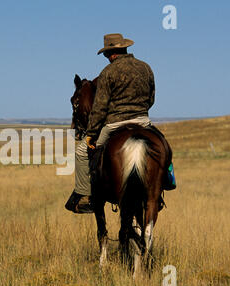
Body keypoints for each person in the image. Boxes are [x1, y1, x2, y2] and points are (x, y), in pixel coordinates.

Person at [66, 33, 175, 214]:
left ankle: (85, 195)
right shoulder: (145, 68)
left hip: (115, 123)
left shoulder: (108, 72)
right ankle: (168, 180)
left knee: (81, 152)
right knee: (164, 145)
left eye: (106, 55)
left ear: (111, 53)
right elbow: (151, 98)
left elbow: (100, 107)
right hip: (142, 120)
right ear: (124, 48)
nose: (107, 59)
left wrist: (92, 133)